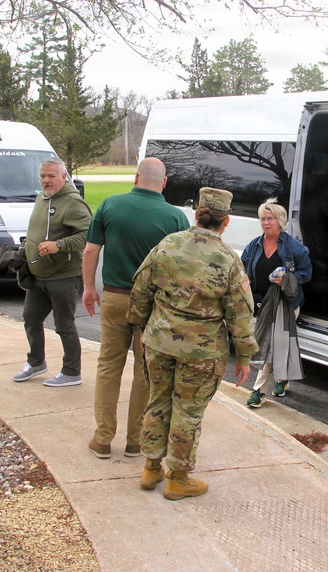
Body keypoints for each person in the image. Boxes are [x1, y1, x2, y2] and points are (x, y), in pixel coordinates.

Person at [127, 187, 257, 500]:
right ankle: (178, 479)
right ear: (225, 222)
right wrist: (244, 356)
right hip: (201, 352)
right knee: (188, 410)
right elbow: (240, 313)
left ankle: (150, 469)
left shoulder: (168, 244)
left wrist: (142, 327)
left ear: (196, 214)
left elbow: (141, 289)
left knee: (158, 400)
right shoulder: (227, 259)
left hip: (159, 342)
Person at [81, 158, 189, 460]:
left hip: (114, 299)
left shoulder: (109, 205)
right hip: (152, 307)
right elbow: (180, 269)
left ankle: (102, 439)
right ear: (164, 183)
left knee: (108, 367)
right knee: (145, 373)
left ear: (135, 177)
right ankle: (135, 442)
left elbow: (90, 249)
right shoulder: (176, 217)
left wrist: (89, 288)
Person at [13, 157, 92, 386]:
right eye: (43, 176)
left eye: (51, 176)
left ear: (64, 176)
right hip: (38, 275)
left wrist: (59, 245)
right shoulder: (42, 197)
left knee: (64, 325)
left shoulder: (73, 203)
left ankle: (71, 372)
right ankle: (36, 362)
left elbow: (88, 236)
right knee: (30, 318)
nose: (46, 180)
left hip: (63, 276)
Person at [240, 199, 312, 407]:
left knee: (271, 345)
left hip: (285, 303)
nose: (265, 223)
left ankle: (258, 391)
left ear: (280, 220)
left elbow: (306, 273)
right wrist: (246, 281)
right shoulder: (254, 246)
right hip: (261, 303)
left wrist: (287, 278)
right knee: (275, 346)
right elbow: (242, 269)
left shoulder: (294, 247)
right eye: (263, 219)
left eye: (269, 218)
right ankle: (283, 378)